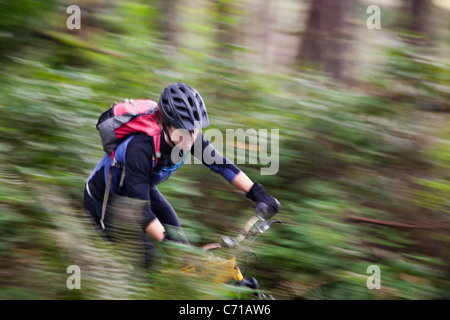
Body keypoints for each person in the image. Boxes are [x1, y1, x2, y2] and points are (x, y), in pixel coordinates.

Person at [83, 82, 279, 267]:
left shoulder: (189, 136)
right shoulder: (140, 147)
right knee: (150, 263)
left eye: (195, 129)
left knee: (183, 251)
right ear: (167, 124)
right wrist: (169, 244)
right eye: (185, 130)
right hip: (105, 201)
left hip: (140, 191)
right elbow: (139, 209)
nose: (192, 137)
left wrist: (258, 193)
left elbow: (221, 165)